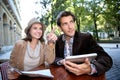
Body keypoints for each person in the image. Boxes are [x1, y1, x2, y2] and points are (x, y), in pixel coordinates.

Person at [54, 11, 113, 76]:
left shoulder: (86, 38)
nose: (70, 27)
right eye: (65, 24)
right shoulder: (57, 40)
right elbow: (53, 58)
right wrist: (61, 61)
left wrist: (90, 68)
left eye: (71, 22)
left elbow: (106, 59)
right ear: (60, 28)